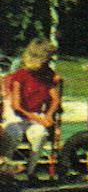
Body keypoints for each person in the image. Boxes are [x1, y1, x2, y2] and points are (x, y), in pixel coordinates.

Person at [3, 39, 62, 174]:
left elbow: (55, 99)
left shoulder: (46, 75)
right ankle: (6, 169)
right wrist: (38, 119)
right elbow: (16, 106)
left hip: (34, 114)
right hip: (16, 116)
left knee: (39, 135)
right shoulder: (20, 76)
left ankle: (31, 171)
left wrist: (49, 114)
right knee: (14, 134)